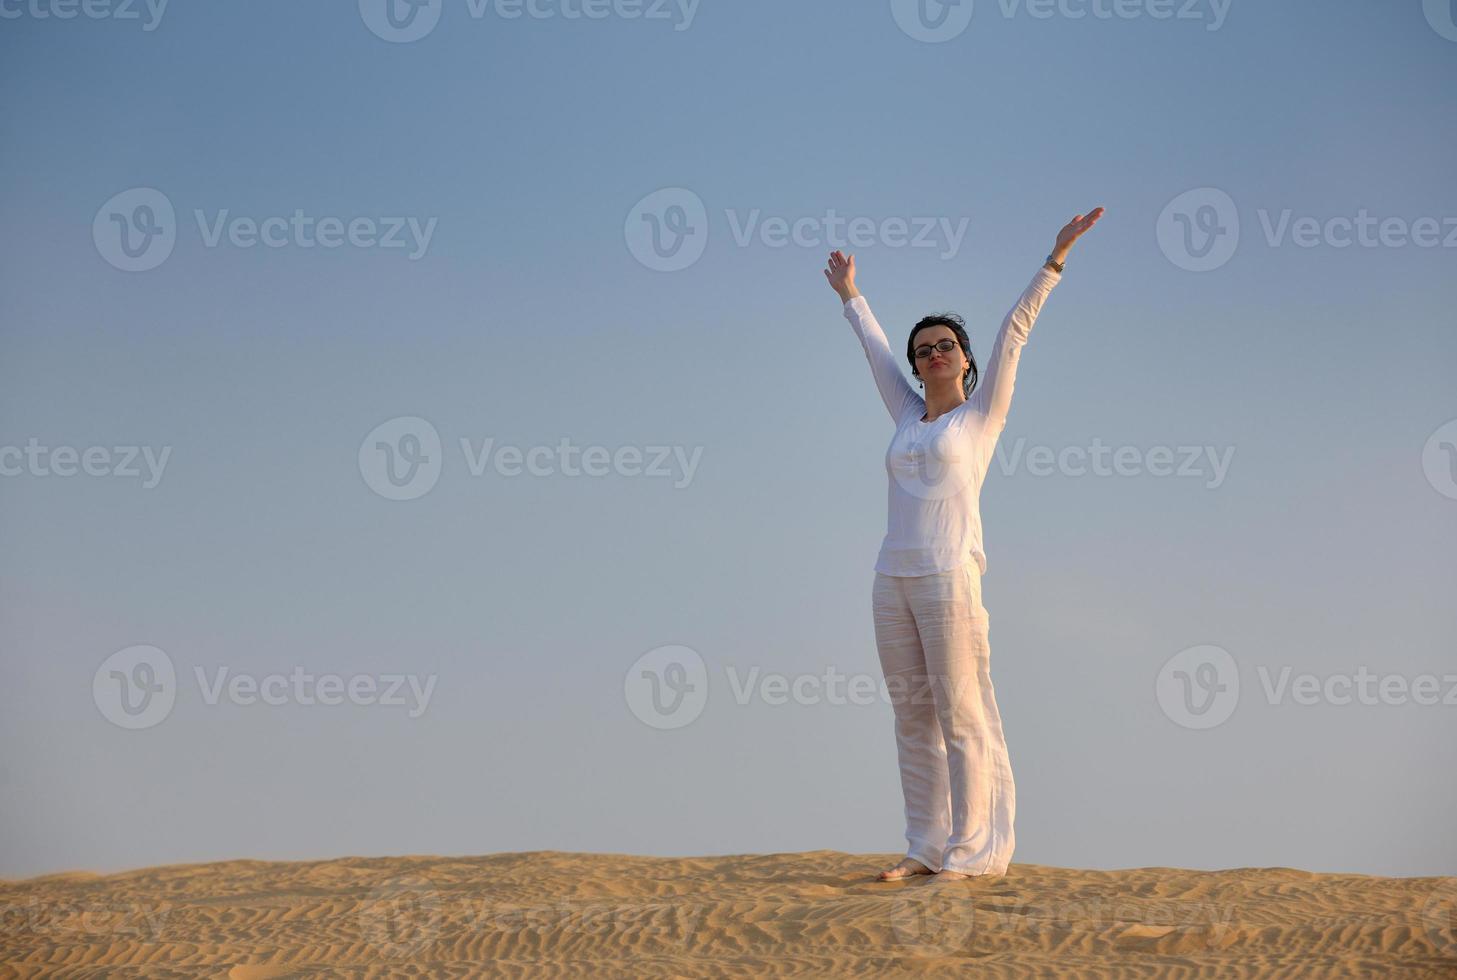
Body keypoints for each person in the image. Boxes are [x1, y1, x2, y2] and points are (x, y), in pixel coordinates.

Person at [821, 208, 1104, 883]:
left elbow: (1015, 333)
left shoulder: (980, 417)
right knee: (910, 717)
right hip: (891, 577)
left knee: (960, 714)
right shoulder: (905, 413)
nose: (931, 354)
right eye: (923, 350)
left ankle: (970, 852)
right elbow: (874, 351)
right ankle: (923, 845)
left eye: (944, 345)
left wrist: (1054, 260)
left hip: (949, 576)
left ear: (965, 359)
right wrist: (850, 297)